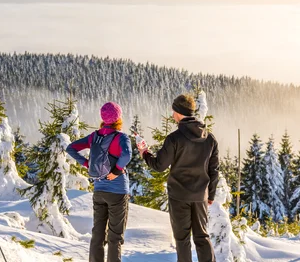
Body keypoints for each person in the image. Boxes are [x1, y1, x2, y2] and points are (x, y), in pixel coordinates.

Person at [137, 94, 219, 262]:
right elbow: (214, 170)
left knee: (182, 240)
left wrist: (145, 153)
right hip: (200, 196)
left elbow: (159, 166)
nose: (172, 113)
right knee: (202, 237)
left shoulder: (174, 138)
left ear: (179, 112)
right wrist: (210, 195)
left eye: (173, 110)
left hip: (179, 195)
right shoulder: (209, 139)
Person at [66, 102, 132, 262]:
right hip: (117, 192)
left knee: (97, 234)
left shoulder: (94, 136)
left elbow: (71, 148)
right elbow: (126, 155)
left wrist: (87, 163)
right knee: (115, 236)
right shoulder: (121, 137)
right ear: (118, 118)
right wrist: (116, 171)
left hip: (99, 191)